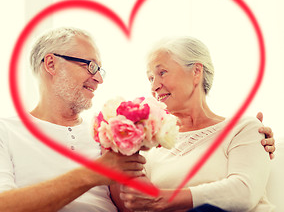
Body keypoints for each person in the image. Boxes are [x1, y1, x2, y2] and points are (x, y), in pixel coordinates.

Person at [111, 36, 275, 211]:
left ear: (196, 71)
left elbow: (244, 192)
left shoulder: (243, 127)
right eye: (150, 78)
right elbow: (138, 203)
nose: (154, 86)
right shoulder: (150, 146)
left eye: (162, 73)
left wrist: (165, 199)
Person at [0, 27, 146, 212]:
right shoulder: (5, 131)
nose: (99, 79)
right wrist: (94, 173)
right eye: (91, 66)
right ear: (51, 64)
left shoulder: (105, 133)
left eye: (100, 70)